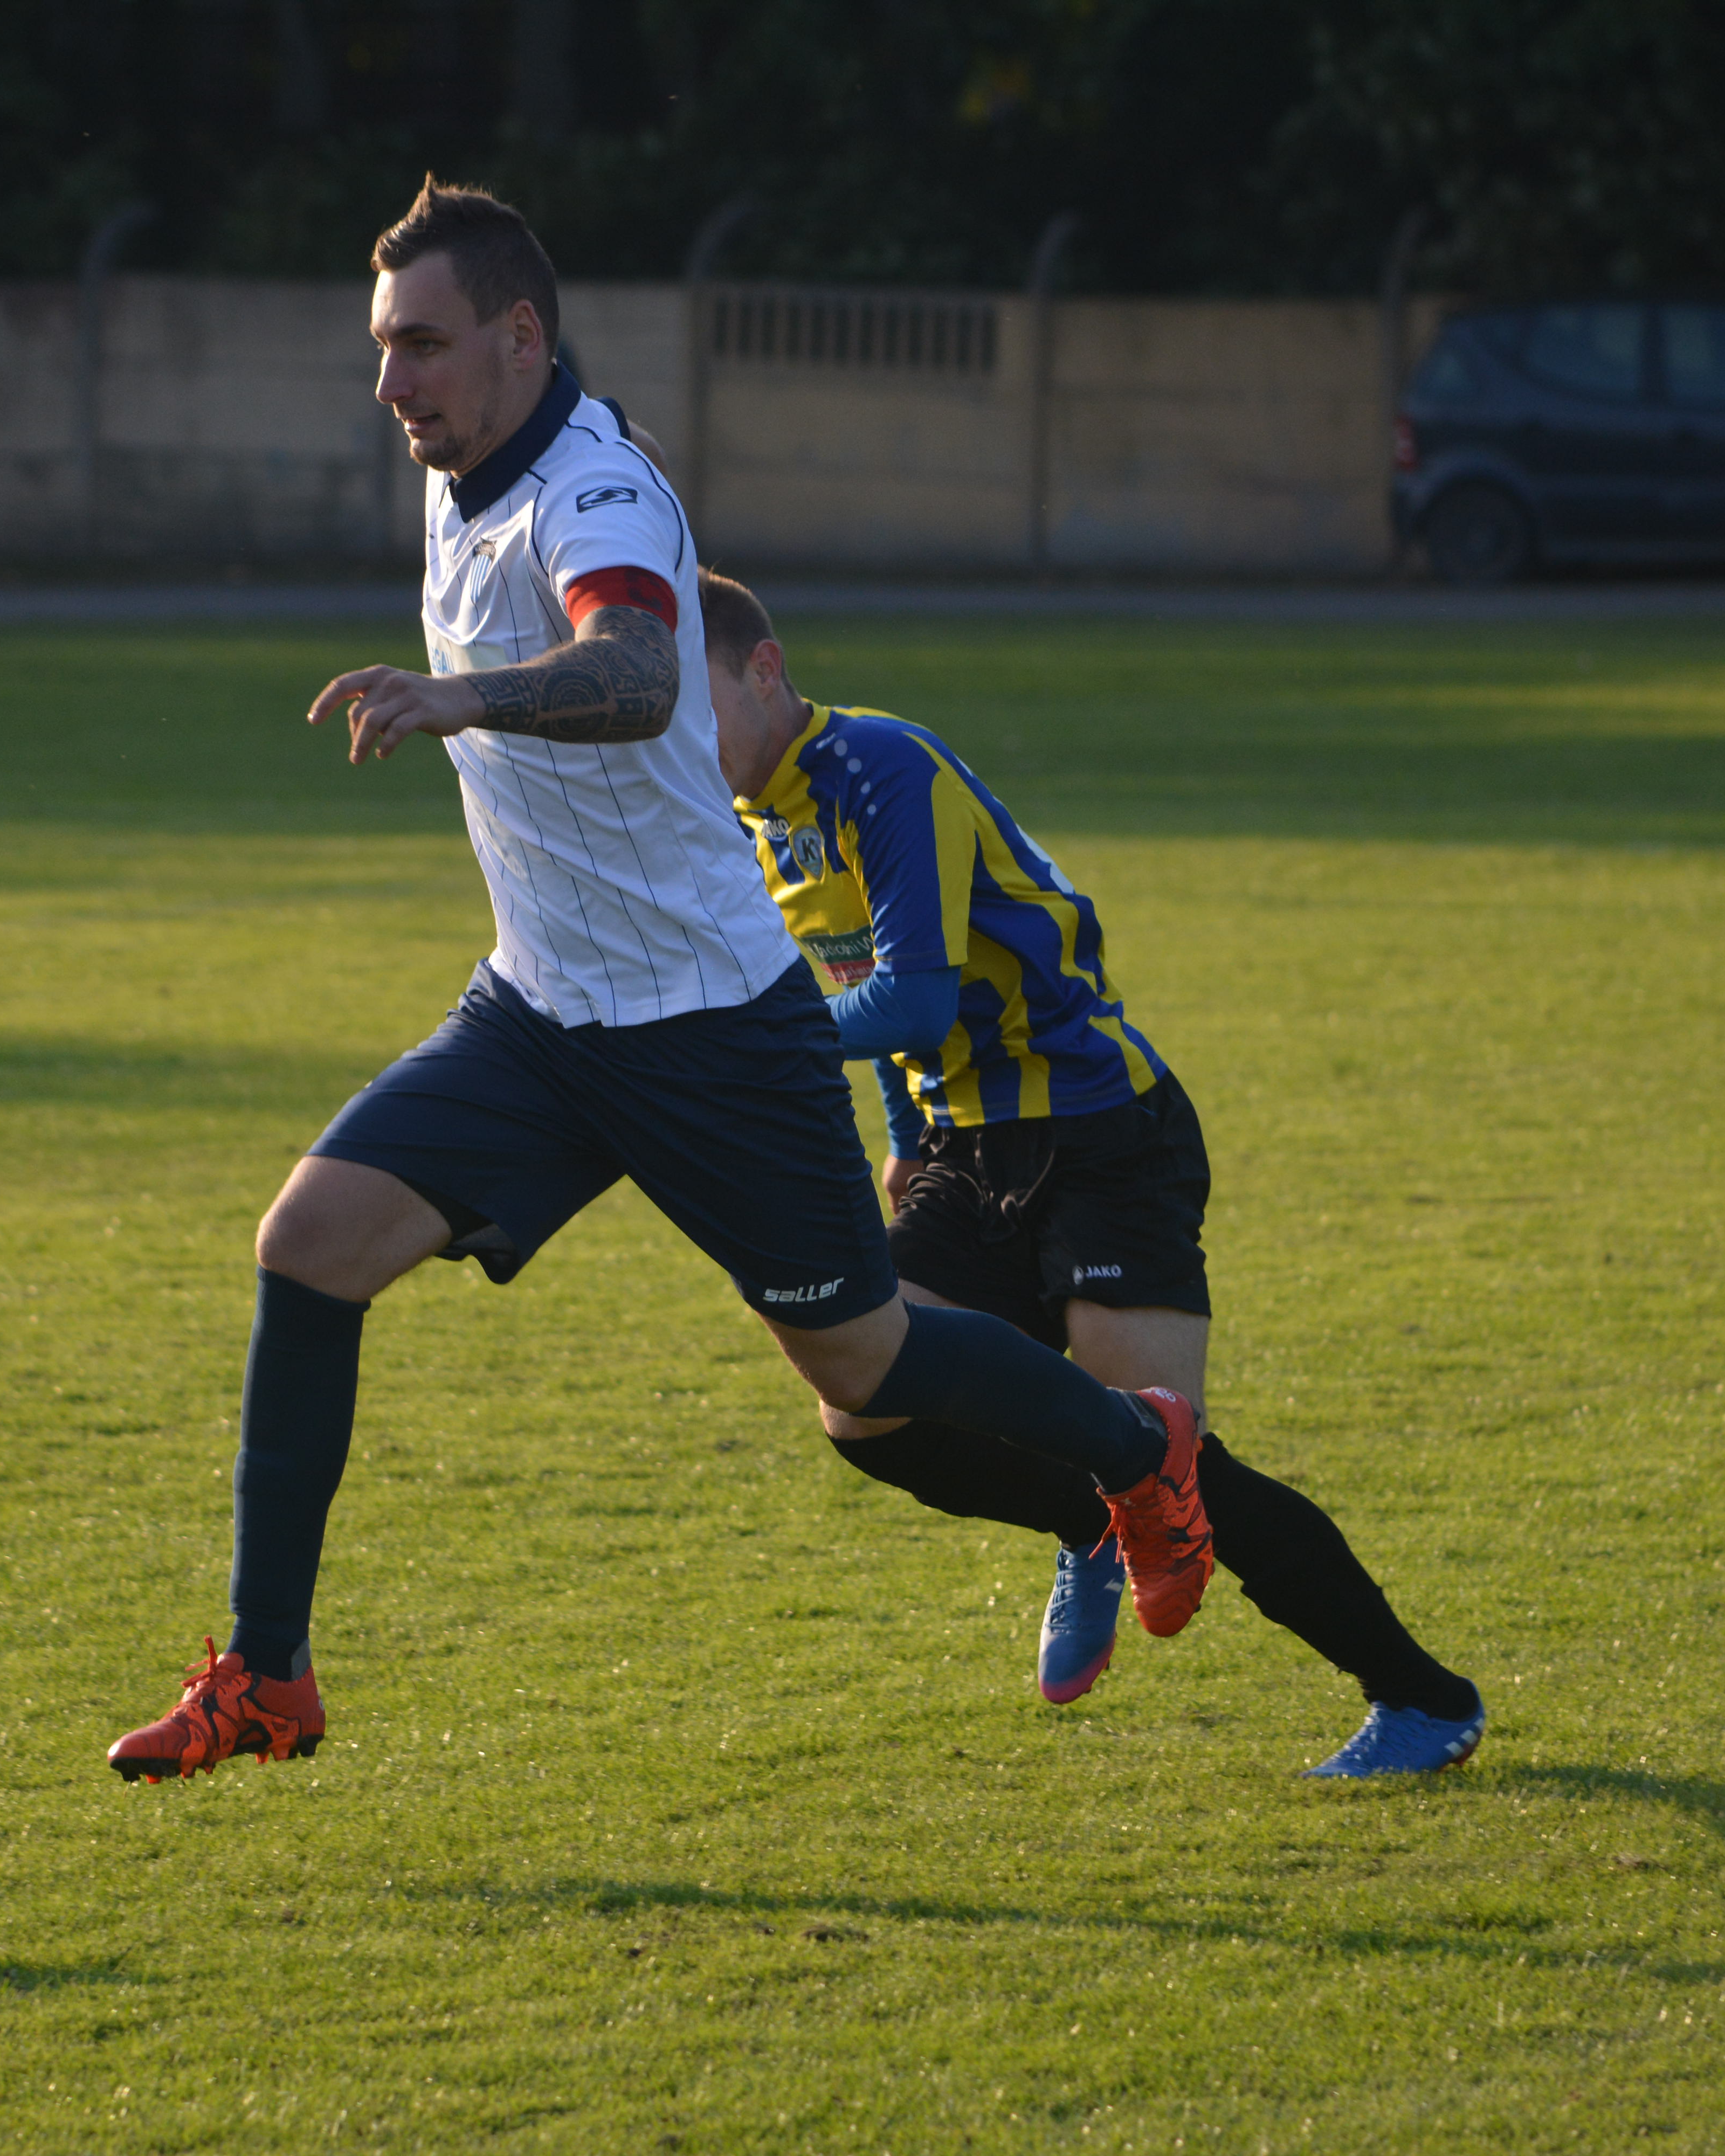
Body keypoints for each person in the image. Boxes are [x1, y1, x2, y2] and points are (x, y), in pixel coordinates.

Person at [104, 179, 1215, 1782]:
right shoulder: (472, 462)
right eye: (382, 347)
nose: (391, 382)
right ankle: (267, 1678)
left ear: (520, 336)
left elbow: (633, 673)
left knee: (866, 1363)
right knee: (310, 1245)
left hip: (710, 1026)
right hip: (542, 1014)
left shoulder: (594, 491)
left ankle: (1136, 1452)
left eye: (423, 345)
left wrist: (458, 697)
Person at [695, 568, 1486, 1778]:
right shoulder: (761, 820)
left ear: (764, 670)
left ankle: (1423, 1699)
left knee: (1179, 1461)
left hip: (1102, 1130)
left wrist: (747, 1037)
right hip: (965, 1150)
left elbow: (912, 993)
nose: (674, 740)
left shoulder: (879, 767)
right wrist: (904, 1134)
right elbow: (868, 980)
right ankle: (1091, 1517)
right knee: (864, 1401)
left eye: (686, 703)